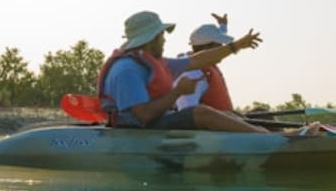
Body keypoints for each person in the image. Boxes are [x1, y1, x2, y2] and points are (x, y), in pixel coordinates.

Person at [98, 10, 270, 133]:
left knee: (228, 114)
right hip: (137, 131)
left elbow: (198, 60)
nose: (164, 40)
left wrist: (236, 46)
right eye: (162, 35)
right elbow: (143, 116)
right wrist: (178, 92)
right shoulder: (127, 71)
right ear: (151, 39)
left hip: (153, 123)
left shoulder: (154, 62)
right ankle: (271, 139)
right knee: (200, 112)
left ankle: (267, 135)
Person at [175, 12, 237, 112]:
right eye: (218, 46)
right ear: (205, 48)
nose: (221, 49)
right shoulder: (193, 74)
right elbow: (187, 114)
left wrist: (223, 26)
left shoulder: (205, 64)